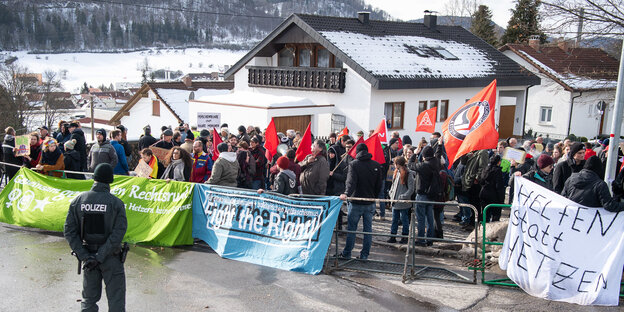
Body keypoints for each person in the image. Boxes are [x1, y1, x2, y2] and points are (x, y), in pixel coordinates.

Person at [64, 163, 128, 312]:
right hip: (110, 258)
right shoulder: (116, 203)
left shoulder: (78, 200)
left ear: (94, 178)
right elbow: (118, 234)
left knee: (89, 300)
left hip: (89, 258)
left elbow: (69, 231)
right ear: (110, 180)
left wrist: (85, 256)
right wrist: (100, 256)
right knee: (116, 300)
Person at [339, 143, 383, 260]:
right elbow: (379, 184)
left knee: (352, 229)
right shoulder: (376, 165)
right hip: (370, 202)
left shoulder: (354, 164)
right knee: (368, 230)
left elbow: (351, 182)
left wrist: (347, 193)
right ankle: (364, 255)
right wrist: (374, 196)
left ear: (357, 152)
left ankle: (347, 253)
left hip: (355, 201)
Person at [412, 146, 438, 246]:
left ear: (424, 155)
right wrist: (439, 145)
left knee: (421, 218)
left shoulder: (423, 166)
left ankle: (421, 239)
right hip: (431, 194)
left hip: (422, 194)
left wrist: (415, 154)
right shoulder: (436, 163)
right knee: (430, 218)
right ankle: (429, 239)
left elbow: (410, 165)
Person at [387, 157, 414, 244]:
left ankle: (405, 237)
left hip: (403, 202)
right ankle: (393, 236)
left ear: (398, 164)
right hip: (395, 201)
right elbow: (393, 185)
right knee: (394, 219)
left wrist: (403, 196)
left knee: (404, 219)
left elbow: (411, 189)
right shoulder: (396, 172)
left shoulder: (408, 173)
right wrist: (391, 194)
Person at [479, 155, 505, 222]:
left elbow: (481, 181)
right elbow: (499, 186)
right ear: (499, 162)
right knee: (495, 216)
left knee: (485, 214)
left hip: (484, 194)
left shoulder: (485, 169)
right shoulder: (498, 171)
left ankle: (483, 229)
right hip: (494, 196)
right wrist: (502, 199)